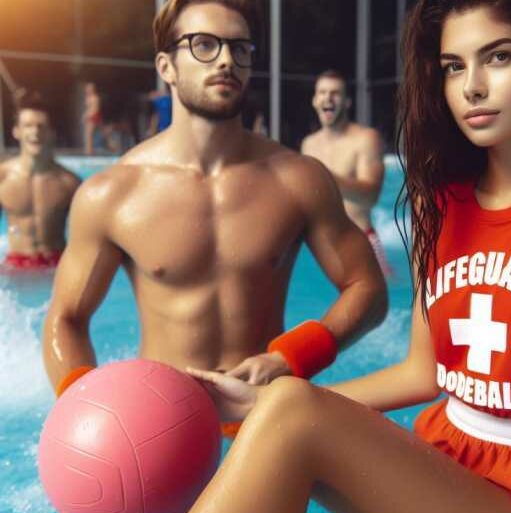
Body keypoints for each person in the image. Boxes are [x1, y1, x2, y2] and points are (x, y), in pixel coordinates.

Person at [174, 1, 511, 513]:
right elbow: (423, 373)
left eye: (499, 57)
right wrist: (260, 403)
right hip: (445, 459)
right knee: (284, 403)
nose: (473, 87)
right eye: (454, 67)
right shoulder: (437, 203)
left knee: (291, 406)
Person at [42, 0, 387, 435]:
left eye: (240, 48)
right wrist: (89, 414)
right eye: (204, 45)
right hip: (163, 431)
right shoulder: (111, 194)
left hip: (267, 424)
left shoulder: (298, 179)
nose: (227, 59)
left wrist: (291, 357)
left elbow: (369, 290)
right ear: (166, 66)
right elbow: (66, 318)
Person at [302, 70, 393, 276]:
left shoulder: (366, 139)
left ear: (347, 102)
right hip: (322, 247)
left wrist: (325, 176)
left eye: (335, 93)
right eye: (322, 93)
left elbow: (370, 197)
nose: (328, 98)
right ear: (315, 101)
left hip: (362, 241)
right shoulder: (309, 144)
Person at [0, 90, 80, 270]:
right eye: (28, 125)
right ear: (16, 131)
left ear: (52, 132)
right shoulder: (2, 178)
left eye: (41, 126)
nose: (35, 132)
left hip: (55, 267)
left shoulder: (69, 183)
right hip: (15, 267)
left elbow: (85, 243)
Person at [82, 82, 103, 155]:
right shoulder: (87, 98)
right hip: (90, 116)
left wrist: (86, 116)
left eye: (89, 88)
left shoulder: (95, 98)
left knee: (88, 134)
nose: (87, 90)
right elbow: (88, 108)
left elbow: (95, 109)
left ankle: (89, 151)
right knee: (88, 134)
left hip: (93, 117)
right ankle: (88, 150)